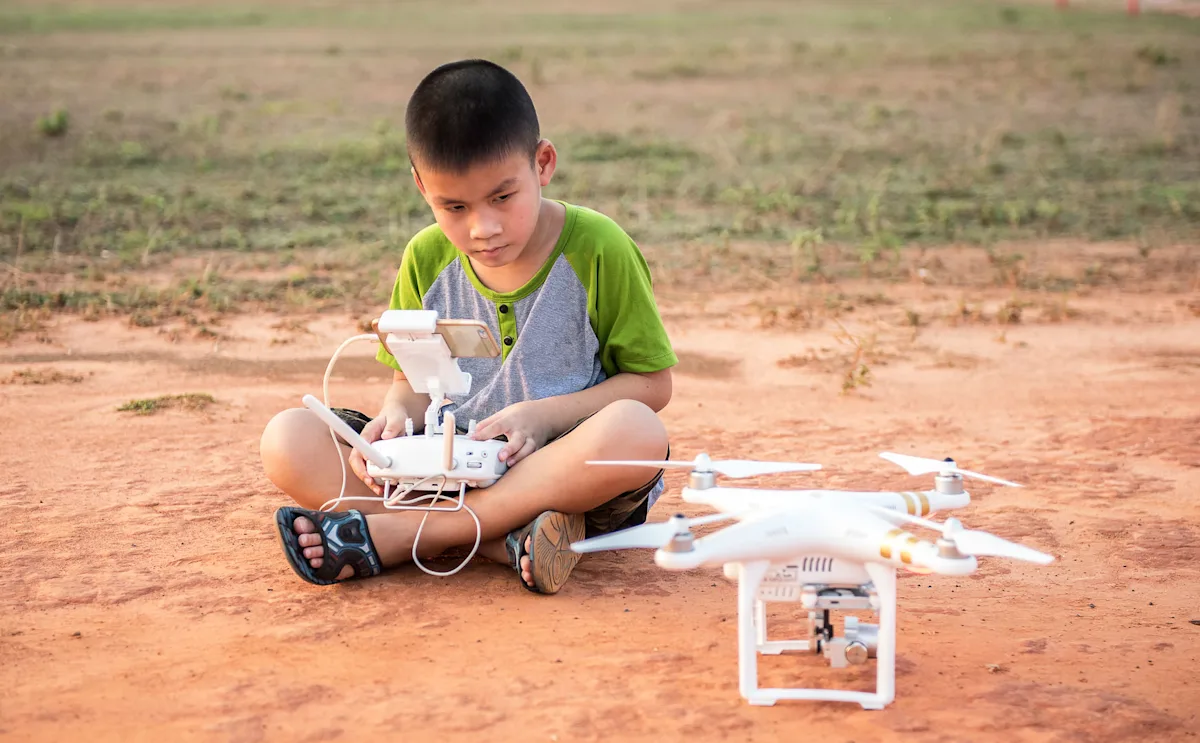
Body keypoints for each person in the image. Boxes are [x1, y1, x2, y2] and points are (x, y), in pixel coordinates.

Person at [260, 58, 678, 594]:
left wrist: (544, 417)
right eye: (454, 206)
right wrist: (394, 417)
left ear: (543, 163)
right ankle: (496, 540)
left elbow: (652, 386)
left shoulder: (600, 248)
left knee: (637, 431)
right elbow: (411, 384)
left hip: (560, 475)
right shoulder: (425, 256)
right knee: (288, 439)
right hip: (442, 471)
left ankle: (403, 536)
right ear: (421, 186)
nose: (483, 227)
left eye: (502, 197)